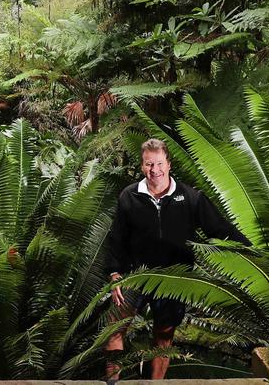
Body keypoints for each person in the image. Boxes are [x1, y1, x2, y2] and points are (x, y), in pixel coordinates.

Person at [105, 137, 249, 381]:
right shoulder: (129, 197)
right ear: (142, 166)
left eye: (159, 164)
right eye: (149, 165)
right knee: (114, 330)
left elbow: (219, 229)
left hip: (175, 278)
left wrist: (251, 253)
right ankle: (112, 381)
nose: (155, 170)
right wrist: (114, 273)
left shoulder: (190, 197)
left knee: (163, 336)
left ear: (169, 164)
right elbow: (116, 237)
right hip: (134, 275)